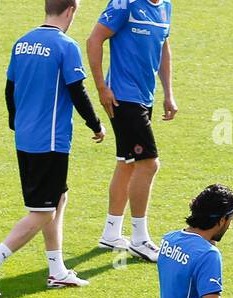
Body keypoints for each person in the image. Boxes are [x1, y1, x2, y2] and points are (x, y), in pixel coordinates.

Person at [0, 0, 104, 298]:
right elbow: (77, 90)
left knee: (58, 198)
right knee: (43, 211)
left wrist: (15, 122)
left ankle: (57, 270)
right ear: (70, 10)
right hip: (51, 140)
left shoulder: (22, 43)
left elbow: (10, 88)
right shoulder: (64, 45)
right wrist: (96, 124)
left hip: (26, 137)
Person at [86, 0, 175, 261]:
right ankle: (139, 239)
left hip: (144, 97)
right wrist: (102, 87)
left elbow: (163, 47)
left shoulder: (165, 7)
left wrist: (168, 93)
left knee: (127, 163)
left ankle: (111, 233)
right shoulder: (125, 3)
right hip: (123, 99)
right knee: (149, 164)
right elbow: (94, 39)